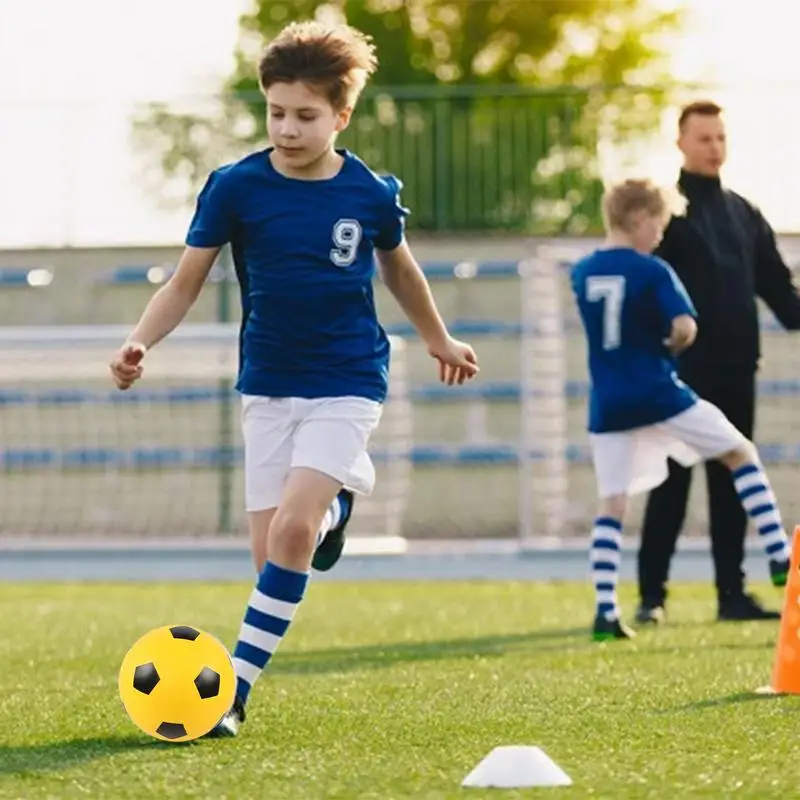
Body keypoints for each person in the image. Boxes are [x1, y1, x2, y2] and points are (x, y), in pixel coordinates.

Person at [109, 20, 479, 736]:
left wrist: (438, 337)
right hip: (268, 386)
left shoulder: (370, 192)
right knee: (274, 553)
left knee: (292, 532)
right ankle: (337, 512)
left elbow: (398, 269)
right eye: (276, 112)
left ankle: (234, 693)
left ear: (341, 116)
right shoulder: (235, 188)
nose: (287, 128)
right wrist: (139, 341)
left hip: (347, 379)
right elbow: (185, 283)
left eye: (305, 116)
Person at [570, 178, 791, 642]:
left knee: (612, 503)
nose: (661, 235)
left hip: (607, 403)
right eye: (660, 224)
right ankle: (779, 555)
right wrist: (674, 339)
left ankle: (605, 611)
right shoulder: (653, 271)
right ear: (640, 219)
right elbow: (685, 327)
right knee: (739, 452)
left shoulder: (583, 271)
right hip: (657, 390)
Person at [636, 101, 800, 624]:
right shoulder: (664, 214)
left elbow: (780, 291)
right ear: (680, 143)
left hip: (736, 372)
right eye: (704, 138)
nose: (714, 148)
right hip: (679, 378)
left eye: (720, 138)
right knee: (670, 486)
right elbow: (643, 289)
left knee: (733, 484)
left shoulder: (745, 214)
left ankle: (732, 594)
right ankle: (651, 598)